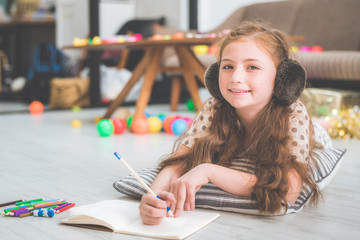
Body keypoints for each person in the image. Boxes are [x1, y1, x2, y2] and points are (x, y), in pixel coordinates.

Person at [139, 21, 332, 225]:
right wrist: (155, 196)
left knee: (319, 129)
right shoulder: (214, 107)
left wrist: (208, 171)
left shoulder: (293, 112)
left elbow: (289, 191)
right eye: (228, 66)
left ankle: (320, 124)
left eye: (252, 67)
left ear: (282, 79)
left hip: (315, 135)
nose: (236, 78)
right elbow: (177, 163)